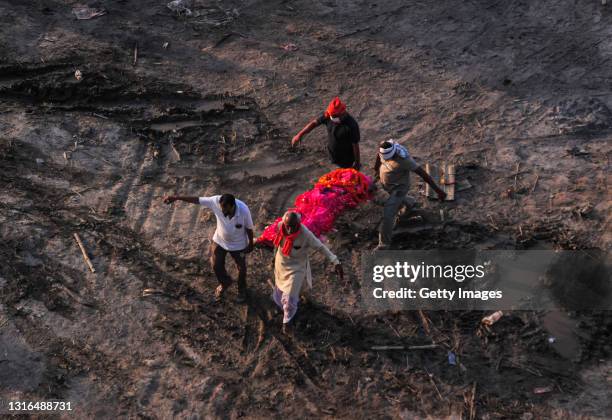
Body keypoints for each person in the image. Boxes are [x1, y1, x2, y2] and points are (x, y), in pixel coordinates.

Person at [162, 193, 254, 302]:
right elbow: (197, 199)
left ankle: (241, 290)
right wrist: (177, 197)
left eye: (225, 209)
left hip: (238, 244)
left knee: (241, 269)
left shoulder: (244, 210)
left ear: (232, 205)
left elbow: (249, 229)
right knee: (215, 264)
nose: (222, 211)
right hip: (220, 240)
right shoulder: (215, 201)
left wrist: (250, 244)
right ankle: (225, 282)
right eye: (221, 208)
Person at [272, 211, 343, 333]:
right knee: (279, 289)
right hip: (281, 264)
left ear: (298, 224)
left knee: (290, 296)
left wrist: (335, 261)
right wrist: (274, 257)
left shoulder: (305, 234)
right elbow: (277, 244)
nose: (289, 229)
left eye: (292, 226)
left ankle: (287, 321)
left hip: (296, 268)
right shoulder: (280, 226)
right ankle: (282, 307)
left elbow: (321, 247)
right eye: (287, 225)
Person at [374, 140, 446, 250]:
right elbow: (378, 156)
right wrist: (376, 171)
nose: (386, 159)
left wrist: (438, 191)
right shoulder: (384, 148)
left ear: (393, 153)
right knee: (398, 201)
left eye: (388, 158)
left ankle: (384, 244)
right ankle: (409, 203)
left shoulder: (404, 160)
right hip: (388, 185)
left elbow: (424, 175)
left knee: (388, 215)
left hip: (399, 188)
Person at [291, 97, 361, 170]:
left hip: (346, 161)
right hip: (332, 155)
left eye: (334, 116)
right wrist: (299, 135)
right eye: (331, 116)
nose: (332, 118)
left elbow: (355, 145)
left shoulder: (351, 125)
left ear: (342, 113)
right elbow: (314, 123)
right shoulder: (328, 116)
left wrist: (357, 163)